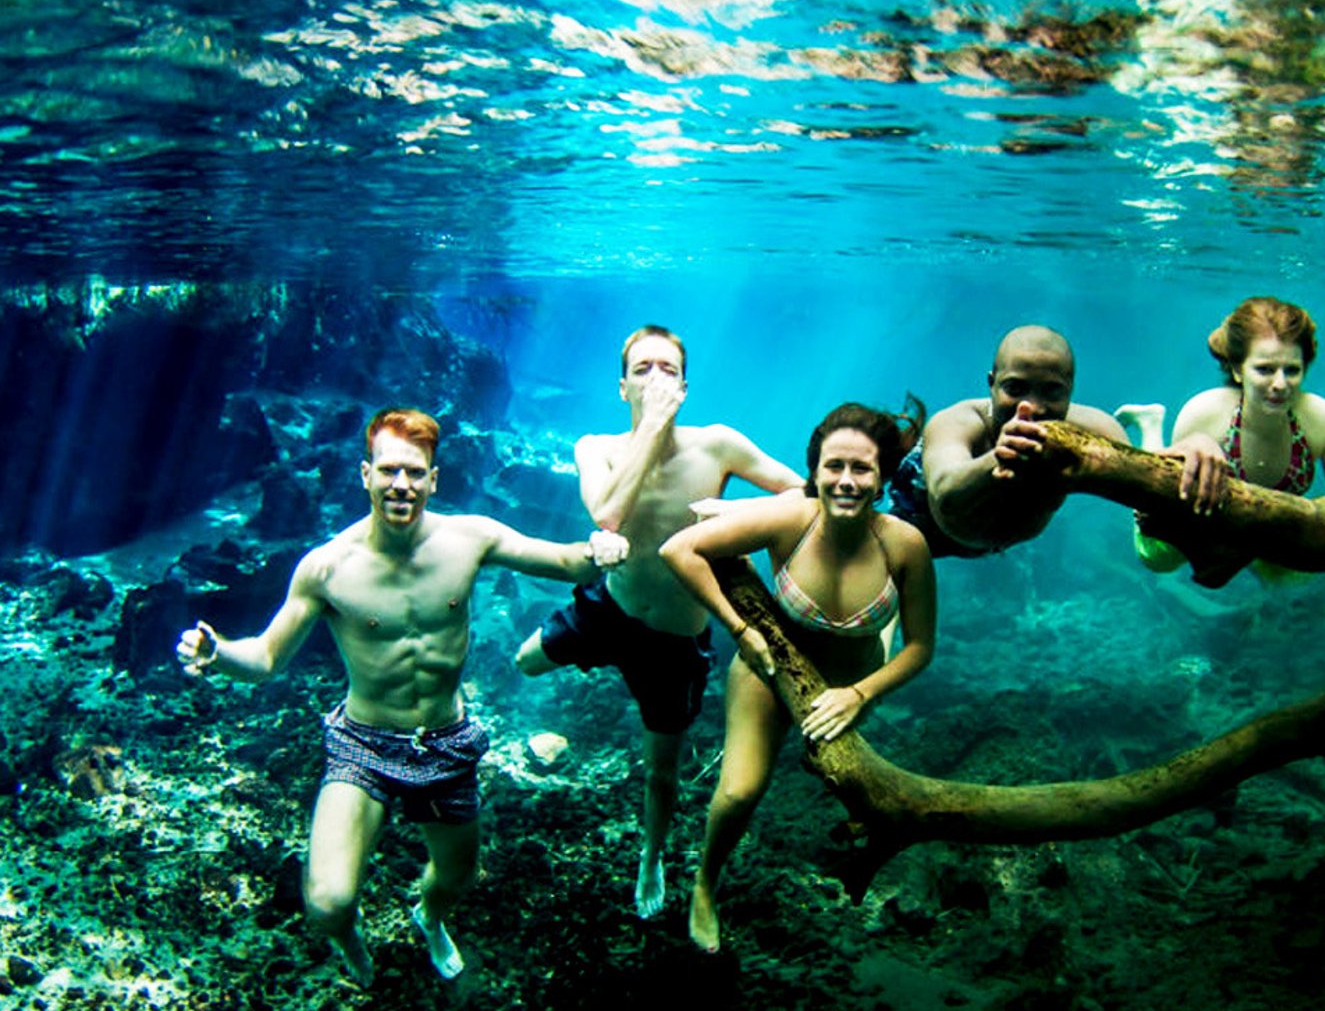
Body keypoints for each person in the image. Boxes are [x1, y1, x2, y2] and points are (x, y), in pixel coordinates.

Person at [176, 408, 629, 985]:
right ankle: (350, 940)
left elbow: (566, 562)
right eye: (388, 470)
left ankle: (429, 917)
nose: (401, 484)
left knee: (456, 878)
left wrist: (601, 550)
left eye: (415, 472)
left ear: (433, 480)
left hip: (445, 743)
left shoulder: (469, 538)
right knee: (328, 902)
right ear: (365, 474)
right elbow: (266, 658)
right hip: (362, 744)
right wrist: (218, 653)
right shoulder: (326, 568)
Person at [511, 325, 803, 919]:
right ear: (622, 388)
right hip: (610, 608)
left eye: (668, 369)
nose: (655, 379)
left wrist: (736, 513)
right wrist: (649, 428)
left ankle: (651, 855)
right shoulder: (596, 447)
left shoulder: (718, 444)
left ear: (685, 387)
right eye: (641, 369)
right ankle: (575, 694)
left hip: (674, 637)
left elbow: (799, 491)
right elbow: (608, 513)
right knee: (525, 662)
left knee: (661, 772)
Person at [660, 402, 936, 954]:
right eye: (834, 466)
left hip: (852, 686)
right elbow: (678, 550)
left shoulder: (905, 544)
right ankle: (705, 885)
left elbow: (922, 649)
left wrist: (859, 694)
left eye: (862, 468)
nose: (847, 480)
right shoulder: (793, 517)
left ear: (882, 476)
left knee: (856, 786)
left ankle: (871, 634)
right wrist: (741, 629)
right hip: (770, 670)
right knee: (739, 792)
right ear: (814, 471)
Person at [1116, 297, 1325, 579]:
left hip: (1272, 529)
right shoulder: (1204, 413)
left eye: (1292, 370)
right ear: (1238, 369)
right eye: (1265, 369)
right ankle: (1149, 424)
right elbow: (1172, 499)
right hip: (1207, 519)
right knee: (1157, 558)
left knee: (1291, 566)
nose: (1280, 384)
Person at [886, 324, 1128, 557]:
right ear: (992, 385)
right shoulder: (958, 422)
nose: (1032, 407)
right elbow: (944, 492)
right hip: (921, 519)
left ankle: (1144, 422)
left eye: (1052, 391)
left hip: (987, 544)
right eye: (1015, 388)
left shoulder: (1092, 426)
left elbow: (1141, 474)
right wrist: (999, 457)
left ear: (1070, 390)